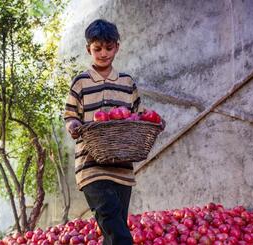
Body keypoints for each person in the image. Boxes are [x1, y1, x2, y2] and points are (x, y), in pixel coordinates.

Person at [63, 19, 165, 245]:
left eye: (109, 48)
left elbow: (137, 117)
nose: (103, 53)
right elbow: (70, 115)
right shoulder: (81, 82)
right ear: (88, 48)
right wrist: (73, 126)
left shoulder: (127, 82)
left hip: (122, 170)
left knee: (114, 230)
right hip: (91, 167)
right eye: (97, 48)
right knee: (117, 232)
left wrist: (155, 120)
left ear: (117, 47)